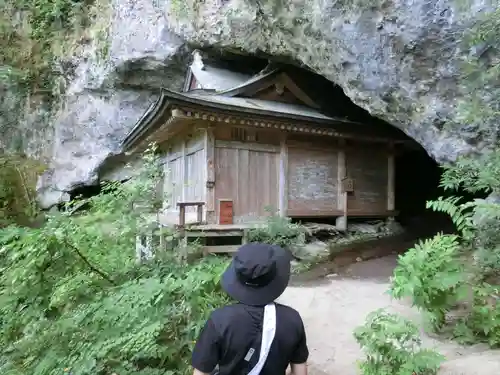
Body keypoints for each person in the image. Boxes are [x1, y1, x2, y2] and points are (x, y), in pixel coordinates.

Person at [191, 242, 309, 375]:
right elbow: (300, 372)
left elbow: (201, 372)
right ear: (274, 278)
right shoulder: (292, 320)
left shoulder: (220, 320)